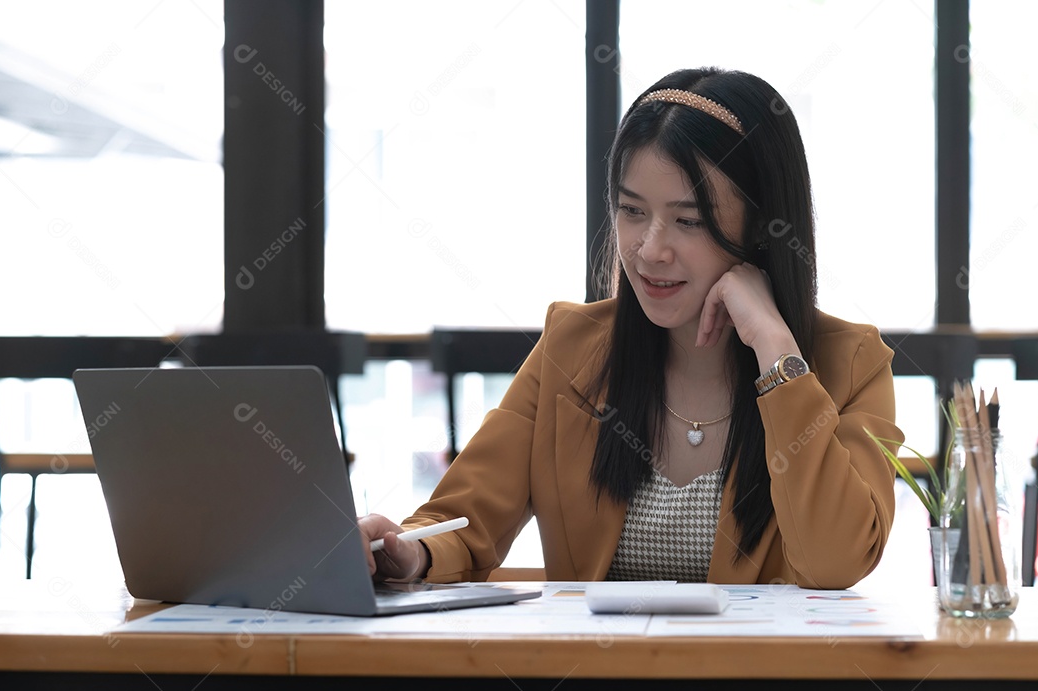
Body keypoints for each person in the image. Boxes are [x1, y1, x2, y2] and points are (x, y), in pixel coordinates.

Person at [358, 66, 904, 589]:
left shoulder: (850, 364)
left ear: (762, 226)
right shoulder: (571, 348)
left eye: (688, 221)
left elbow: (837, 562)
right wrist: (409, 554)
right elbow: (462, 520)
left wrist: (776, 350)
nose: (649, 250)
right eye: (632, 211)